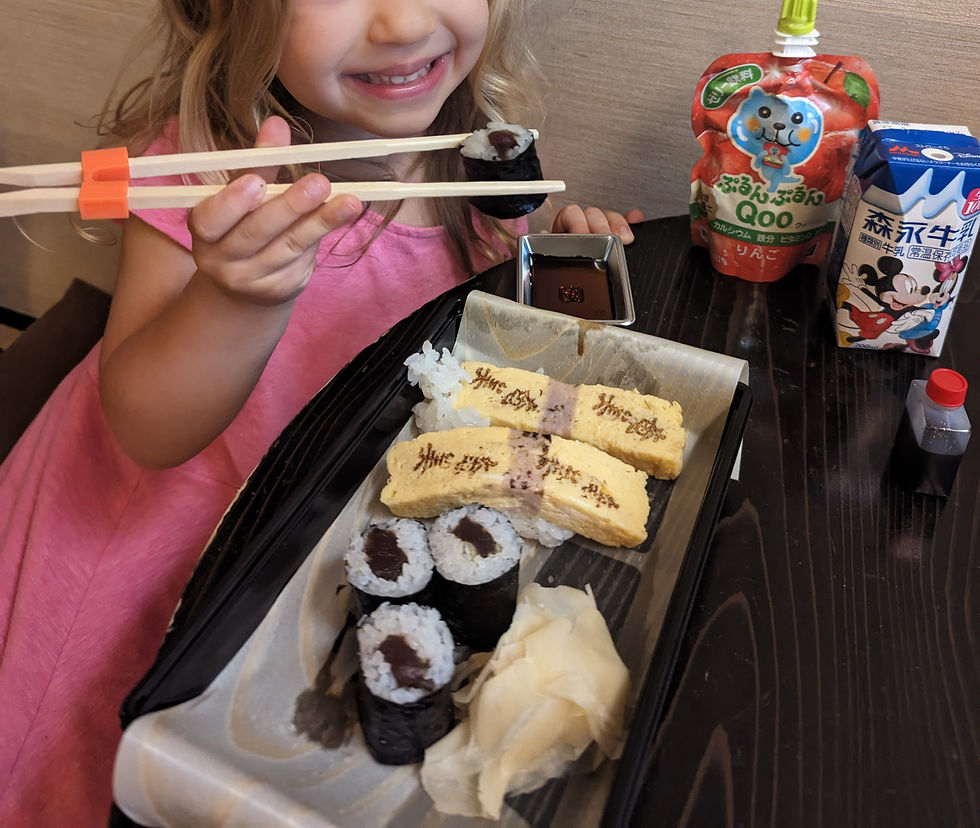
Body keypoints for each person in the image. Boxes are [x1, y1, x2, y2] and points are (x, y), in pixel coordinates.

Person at [0, 0, 642, 824]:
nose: (403, 24)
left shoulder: (470, 155)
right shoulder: (210, 166)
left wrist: (557, 279)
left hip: (326, 531)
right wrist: (233, 297)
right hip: (169, 537)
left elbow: (467, 354)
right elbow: (147, 430)